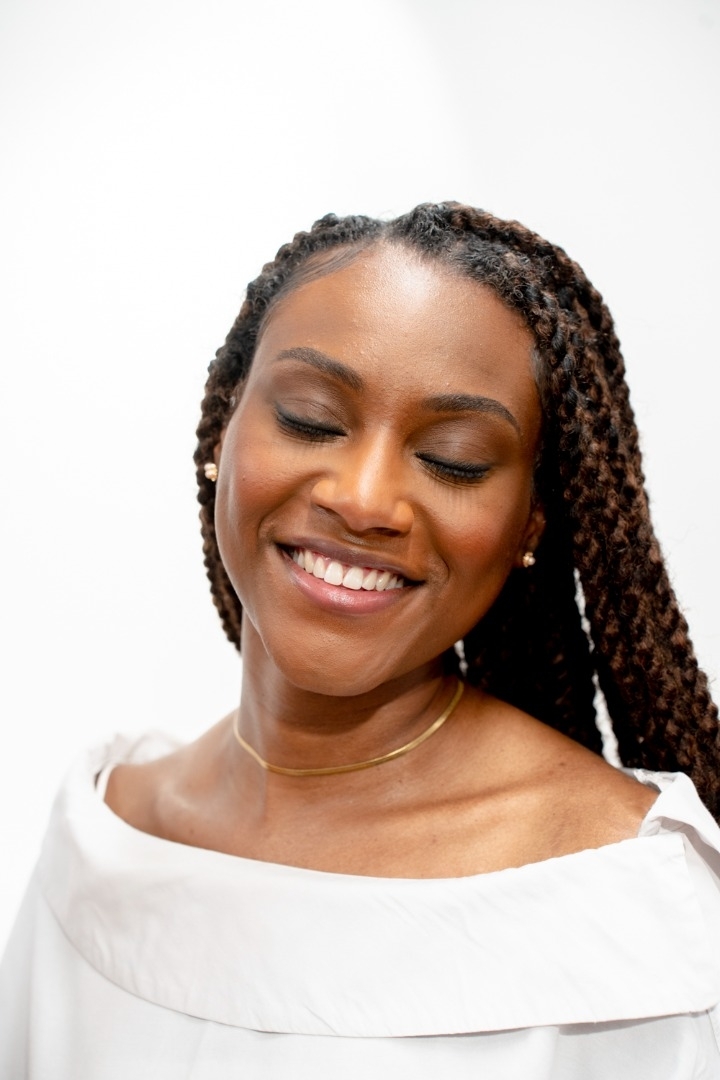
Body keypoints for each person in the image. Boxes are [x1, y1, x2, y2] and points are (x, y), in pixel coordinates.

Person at [2, 202, 719, 1078]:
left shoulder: (634, 902)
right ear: (224, 425)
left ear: (530, 522)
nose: (365, 499)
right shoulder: (102, 840)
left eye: (453, 459)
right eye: (310, 419)